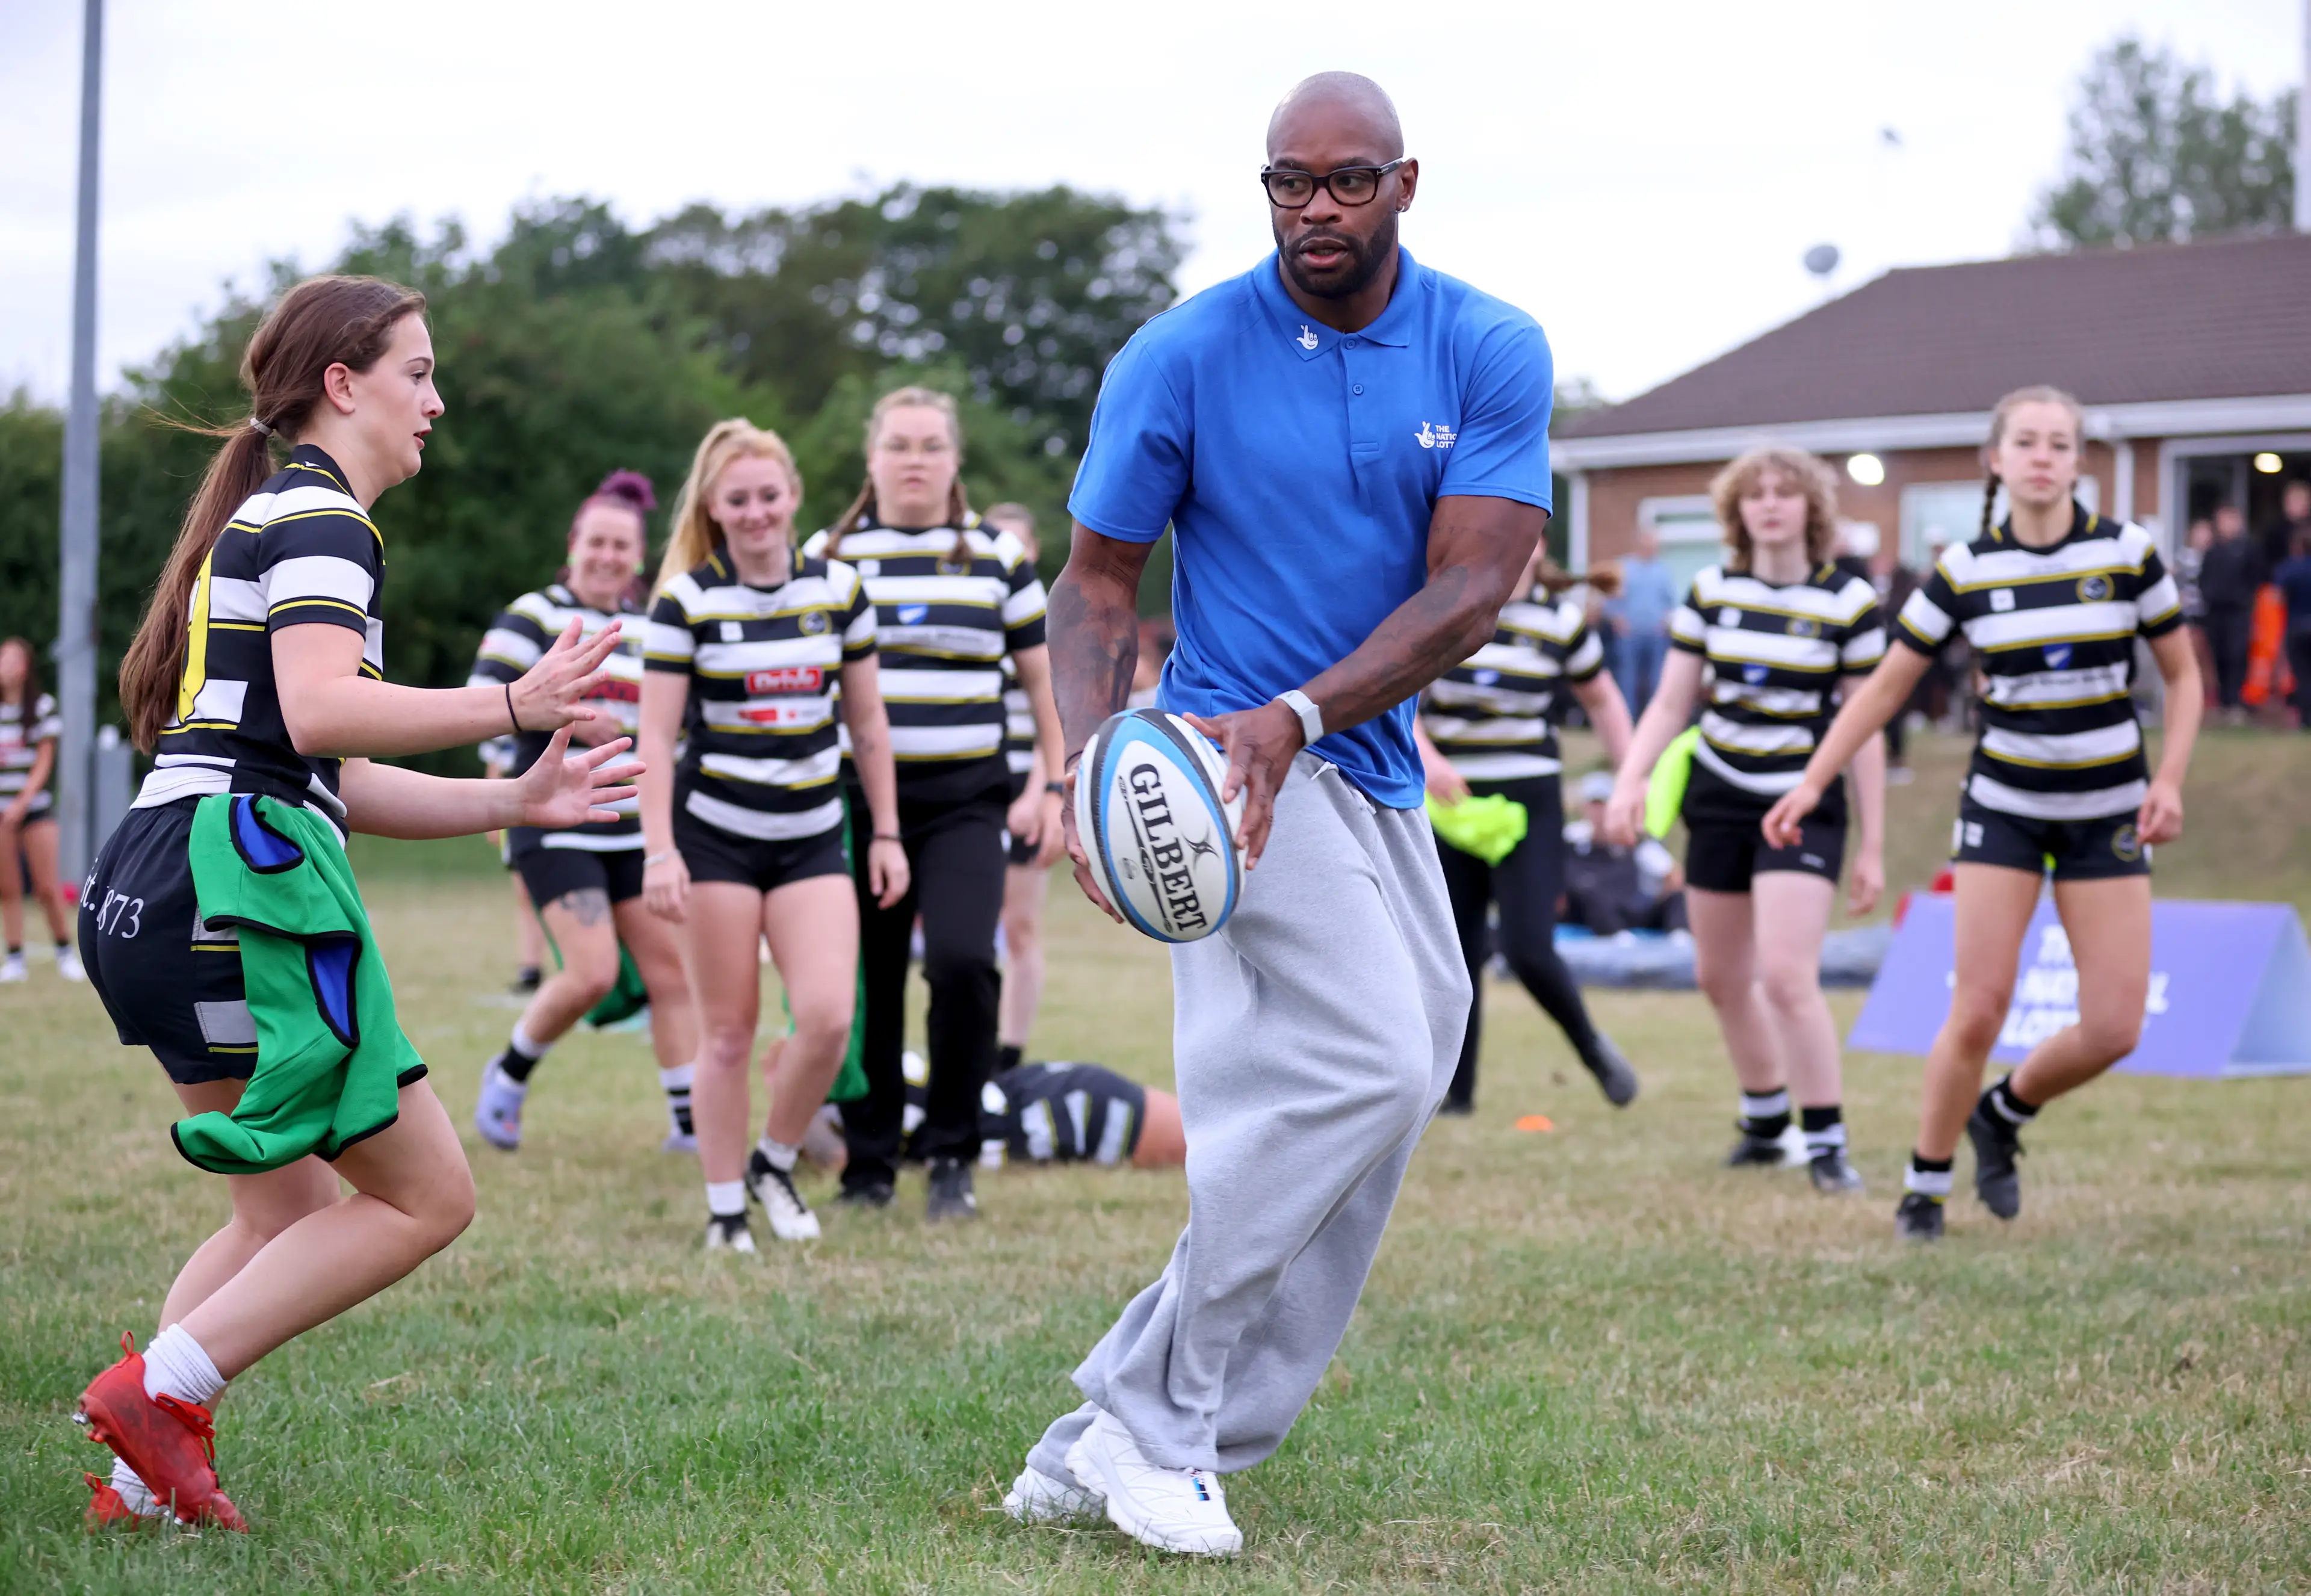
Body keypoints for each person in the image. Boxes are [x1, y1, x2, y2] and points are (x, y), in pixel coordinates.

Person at [1007, 72, 1553, 1557]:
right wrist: (1086, 760)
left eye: (1347, 182)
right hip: (1218, 766)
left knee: (1401, 1076)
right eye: (1287, 184)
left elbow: (1473, 585)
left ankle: (1114, 1431)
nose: (1316, 209)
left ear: (1404, 184)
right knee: (1371, 1060)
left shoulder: (1486, 346)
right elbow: (1097, 585)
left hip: (1350, 757)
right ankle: (1159, 1422)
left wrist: (1309, 712)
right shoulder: (1180, 353)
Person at [70, 274, 631, 1529]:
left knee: (285, 1209)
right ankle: (160, 1396)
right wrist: (511, 704)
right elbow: (325, 716)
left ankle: (135, 1477)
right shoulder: (327, 524)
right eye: (417, 374)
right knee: (430, 1195)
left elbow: (333, 763)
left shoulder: (275, 518)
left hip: (156, 884)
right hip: (239, 891)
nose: (435, 402)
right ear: (344, 385)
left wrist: (514, 801)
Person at [1763, 385, 2201, 1242]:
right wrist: (1812, 781)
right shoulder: (1963, 569)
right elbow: (1885, 688)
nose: (2044, 457)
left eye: (2061, 444)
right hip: (2003, 809)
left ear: (2079, 461)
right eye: (2027, 443)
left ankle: (2004, 1112)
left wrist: (2173, 779)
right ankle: (1923, 1189)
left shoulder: (2127, 553)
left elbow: (2184, 677)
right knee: (1978, 1009)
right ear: (1996, 460)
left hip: (2110, 809)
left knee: (2115, 1026)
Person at [639, 419, 908, 1252]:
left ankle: (775, 1161)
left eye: (769, 496)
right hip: (717, 839)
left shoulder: (838, 589)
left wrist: (887, 834)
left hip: (812, 837)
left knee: (828, 1018)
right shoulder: (687, 601)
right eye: (738, 500)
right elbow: (655, 739)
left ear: (793, 496)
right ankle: (726, 1213)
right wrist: (660, 851)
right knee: (727, 1032)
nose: (756, 512)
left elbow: (867, 722)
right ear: (715, 509)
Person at [801, 389, 1066, 1222]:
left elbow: (1043, 684)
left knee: (961, 963)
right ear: (871, 458)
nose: (914, 460)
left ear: (954, 462)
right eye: (899, 445)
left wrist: (1049, 786)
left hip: (965, 805)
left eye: (931, 447)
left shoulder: (997, 558)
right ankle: (870, 1164)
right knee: (870, 983)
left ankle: (953, 1154)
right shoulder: (827, 556)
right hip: (851, 804)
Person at [1603, 446, 1885, 1193]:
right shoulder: (1711, 591)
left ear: (1811, 509)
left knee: (1789, 976)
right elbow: (1669, 703)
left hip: (1803, 803)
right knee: (1719, 975)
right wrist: (1630, 781)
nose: (1769, 505)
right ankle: (1765, 1122)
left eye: (1784, 493)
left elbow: (1865, 727)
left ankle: (1826, 1141)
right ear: (1736, 511)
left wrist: (1875, 847)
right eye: (1754, 494)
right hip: (1720, 794)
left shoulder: (1848, 603)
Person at [468, 471, 701, 1154]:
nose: (607, 555)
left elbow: (672, 724)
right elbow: (486, 699)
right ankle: (509, 1073)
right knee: (594, 971)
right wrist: (499, 778)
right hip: (554, 820)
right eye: (595, 541)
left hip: (634, 825)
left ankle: (689, 1126)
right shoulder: (536, 614)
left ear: (638, 555)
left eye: (621, 545)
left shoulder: (656, 624)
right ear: (574, 545)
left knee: (670, 975)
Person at [1415, 547, 1639, 1112]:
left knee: (1528, 948)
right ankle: (1454, 1095)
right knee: (1453, 957)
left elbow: (1604, 701)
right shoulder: (1441, 610)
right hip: (1451, 804)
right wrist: (1430, 759)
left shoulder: (1561, 622)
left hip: (1530, 802)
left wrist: (1631, 783)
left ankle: (1592, 1048)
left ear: (1537, 542)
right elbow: (1399, 703)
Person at [980, 501, 1067, 1074]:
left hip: (1026, 782)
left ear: (1032, 551)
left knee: (1019, 927)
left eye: (1015, 543)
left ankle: (1007, 1055)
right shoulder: (972, 610)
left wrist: (1041, 792)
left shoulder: (1046, 619)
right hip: (973, 781)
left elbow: (1054, 715)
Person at [0, 636, 84, 982]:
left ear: (25, 668)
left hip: (34, 811)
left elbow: (43, 762)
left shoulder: (42, 707)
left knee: (48, 887)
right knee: (8, 888)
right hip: (2, 815)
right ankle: (15, 958)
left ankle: (65, 952)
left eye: (12, 659)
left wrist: (21, 803)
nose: (5, 665)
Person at [1561, 770, 1686, 934]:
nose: (1599, 811)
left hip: (1630, 912)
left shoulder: (1634, 842)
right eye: (1594, 805)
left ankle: (1680, 942)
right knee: (1588, 889)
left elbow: (1674, 876)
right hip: (1589, 918)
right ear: (1584, 808)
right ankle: (1614, 936)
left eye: (1604, 804)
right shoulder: (1569, 839)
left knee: (1680, 899)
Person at [2197, 503, 2259, 718]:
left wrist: (2244, 598)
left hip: (2237, 612)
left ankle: (2235, 701)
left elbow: (2256, 578)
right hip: (2215, 612)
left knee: (2237, 654)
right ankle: (2223, 701)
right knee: (2218, 656)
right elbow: (2203, 579)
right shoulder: (2213, 551)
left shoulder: (2247, 550)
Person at [1606, 526, 1677, 714]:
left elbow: (1670, 602)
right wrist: (1617, 619)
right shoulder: (1623, 568)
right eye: (1649, 543)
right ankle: (1627, 720)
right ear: (1639, 543)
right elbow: (1609, 599)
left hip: (1656, 634)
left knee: (1657, 680)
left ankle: (1654, 720)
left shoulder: (1662, 571)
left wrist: (1665, 621)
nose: (1652, 547)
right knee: (1628, 679)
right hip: (1630, 635)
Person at [2272, 527, 2311, 730]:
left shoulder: (2289, 569)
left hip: (2297, 627)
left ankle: (2306, 719)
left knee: (2303, 676)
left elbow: (2277, 597)